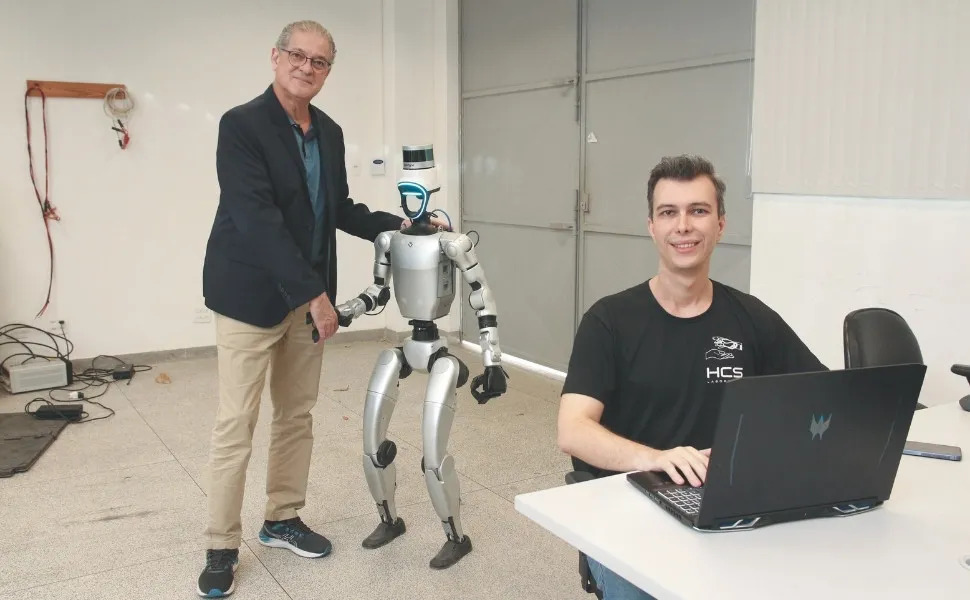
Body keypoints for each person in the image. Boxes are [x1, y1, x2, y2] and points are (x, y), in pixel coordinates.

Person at [197, 20, 443, 598]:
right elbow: (257, 219)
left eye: (321, 61)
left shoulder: (328, 132)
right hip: (250, 297)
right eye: (298, 56)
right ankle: (220, 544)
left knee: (296, 415)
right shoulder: (241, 126)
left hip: (306, 298)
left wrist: (405, 225)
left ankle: (282, 517)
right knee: (237, 423)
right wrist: (315, 294)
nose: (307, 68)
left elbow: (340, 209)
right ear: (275, 56)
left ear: (328, 70)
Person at [556, 154, 826, 600]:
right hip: (628, 511)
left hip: (728, 504)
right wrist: (657, 458)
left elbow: (818, 396)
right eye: (669, 212)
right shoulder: (610, 321)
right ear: (652, 226)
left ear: (720, 224)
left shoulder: (752, 318)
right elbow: (573, 430)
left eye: (698, 211)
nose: (683, 225)